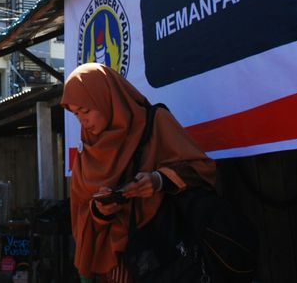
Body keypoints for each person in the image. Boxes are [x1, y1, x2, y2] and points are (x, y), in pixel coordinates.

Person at [62, 63, 216, 283]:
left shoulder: (155, 122)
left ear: (109, 97)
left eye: (86, 110)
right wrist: (101, 210)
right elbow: (81, 215)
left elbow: (203, 169)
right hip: (113, 268)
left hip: (166, 256)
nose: (83, 121)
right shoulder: (88, 151)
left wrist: (159, 180)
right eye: (76, 114)